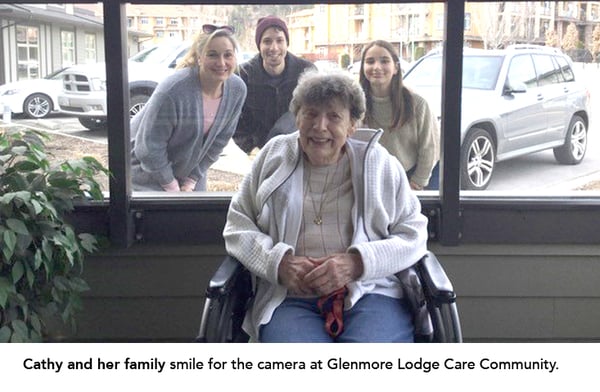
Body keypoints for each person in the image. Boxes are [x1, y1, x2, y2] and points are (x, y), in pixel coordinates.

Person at [223, 69, 429, 342]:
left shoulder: (379, 163)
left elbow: (413, 234)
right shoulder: (274, 156)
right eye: (310, 114)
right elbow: (237, 225)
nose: (320, 126)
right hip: (290, 297)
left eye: (334, 116)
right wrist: (278, 262)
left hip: (370, 290)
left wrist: (357, 263)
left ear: (353, 124)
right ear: (297, 117)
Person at [131, 24, 247, 191]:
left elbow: (219, 141)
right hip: (146, 171)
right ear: (200, 57)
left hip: (188, 172)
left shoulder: (237, 89)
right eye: (212, 55)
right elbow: (149, 147)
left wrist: (192, 179)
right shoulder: (173, 90)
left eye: (228, 55)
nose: (221, 63)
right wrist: (171, 186)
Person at [359, 40, 440, 190]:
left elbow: (429, 148)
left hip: (410, 178)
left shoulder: (417, 103)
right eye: (370, 61)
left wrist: (416, 183)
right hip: (372, 180)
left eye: (384, 61)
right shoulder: (355, 103)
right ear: (363, 67)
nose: (376, 67)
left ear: (396, 67)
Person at [233, 15, 315, 154]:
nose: (274, 47)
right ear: (259, 45)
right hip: (260, 152)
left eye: (279, 40)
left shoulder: (307, 72)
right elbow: (235, 120)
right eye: (267, 41)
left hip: (300, 150)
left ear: (287, 43)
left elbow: (316, 113)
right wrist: (252, 149)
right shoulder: (242, 76)